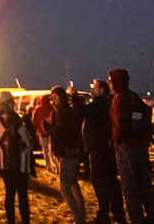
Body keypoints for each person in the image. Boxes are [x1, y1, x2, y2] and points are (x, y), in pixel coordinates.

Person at [109, 67, 153, 224]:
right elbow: (146, 114)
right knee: (144, 183)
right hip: (140, 146)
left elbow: (119, 123)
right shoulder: (134, 97)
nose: (109, 83)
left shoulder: (120, 99)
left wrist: (117, 139)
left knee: (129, 186)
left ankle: (137, 218)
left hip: (126, 147)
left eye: (111, 80)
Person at [81, 79, 126, 224]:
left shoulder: (99, 104)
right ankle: (117, 213)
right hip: (106, 148)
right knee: (111, 181)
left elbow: (82, 111)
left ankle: (104, 213)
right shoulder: (107, 104)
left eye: (94, 87)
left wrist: (75, 97)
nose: (92, 89)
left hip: (99, 149)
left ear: (101, 90)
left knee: (101, 182)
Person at [44, 85, 86, 224]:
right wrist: (47, 124)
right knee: (72, 183)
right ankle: (80, 215)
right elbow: (55, 130)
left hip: (68, 151)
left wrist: (50, 125)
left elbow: (62, 131)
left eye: (55, 96)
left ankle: (78, 217)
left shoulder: (66, 112)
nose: (53, 99)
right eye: (52, 97)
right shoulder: (57, 111)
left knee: (65, 186)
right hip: (63, 151)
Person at [0, 91, 31, 224]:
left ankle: (11, 221)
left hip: (2, 160)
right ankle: (25, 221)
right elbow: (23, 135)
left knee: (9, 193)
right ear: (8, 102)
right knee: (22, 193)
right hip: (17, 159)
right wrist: (29, 146)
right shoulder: (13, 116)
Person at [32, 94, 58, 174]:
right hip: (52, 133)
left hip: (42, 134)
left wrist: (39, 129)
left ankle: (49, 166)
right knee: (54, 151)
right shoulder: (52, 108)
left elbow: (34, 120)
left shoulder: (38, 109)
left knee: (46, 151)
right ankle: (57, 167)